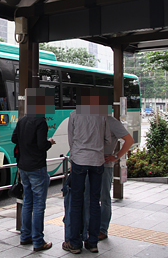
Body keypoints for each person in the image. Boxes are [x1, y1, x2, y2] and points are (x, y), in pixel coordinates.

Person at [66, 87, 110, 254]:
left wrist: (77, 153)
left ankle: (75, 243)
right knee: (95, 202)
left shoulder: (74, 115)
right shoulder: (102, 115)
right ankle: (92, 243)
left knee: (76, 201)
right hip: (97, 161)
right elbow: (106, 138)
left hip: (79, 161)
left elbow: (71, 140)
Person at [11, 88, 56, 252]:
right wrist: (50, 142)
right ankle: (38, 241)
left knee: (28, 201)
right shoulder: (40, 121)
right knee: (39, 205)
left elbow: (14, 138)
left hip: (23, 166)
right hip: (37, 167)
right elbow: (41, 145)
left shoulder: (22, 120)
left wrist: (24, 143)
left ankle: (25, 236)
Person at [82, 115, 134, 242]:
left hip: (105, 165)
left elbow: (129, 140)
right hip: (90, 163)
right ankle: (89, 227)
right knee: (87, 196)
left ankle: (102, 229)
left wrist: (116, 156)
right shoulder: (91, 119)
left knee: (104, 197)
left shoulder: (111, 121)